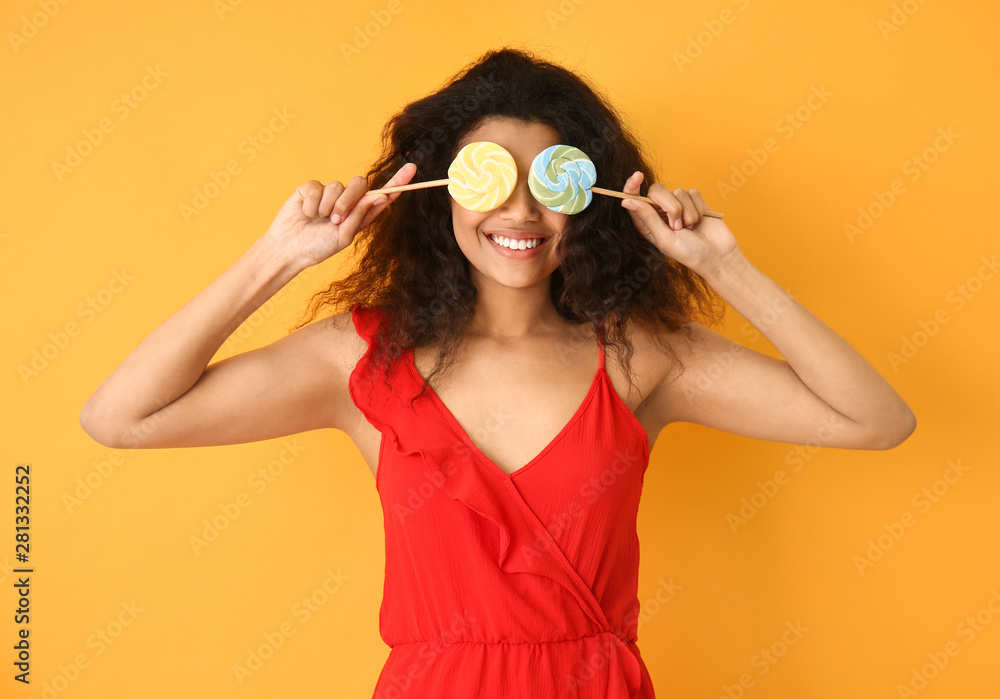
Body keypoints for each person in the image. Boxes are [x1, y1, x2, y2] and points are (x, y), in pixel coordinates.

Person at [79, 47, 916, 697]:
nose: (520, 211)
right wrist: (278, 257)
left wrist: (726, 267)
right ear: (440, 193)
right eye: (490, 179)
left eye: (551, 181)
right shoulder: (362, 358)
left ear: (588, 198)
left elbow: (877, 420)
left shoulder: (642, 354)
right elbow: (119, 417)